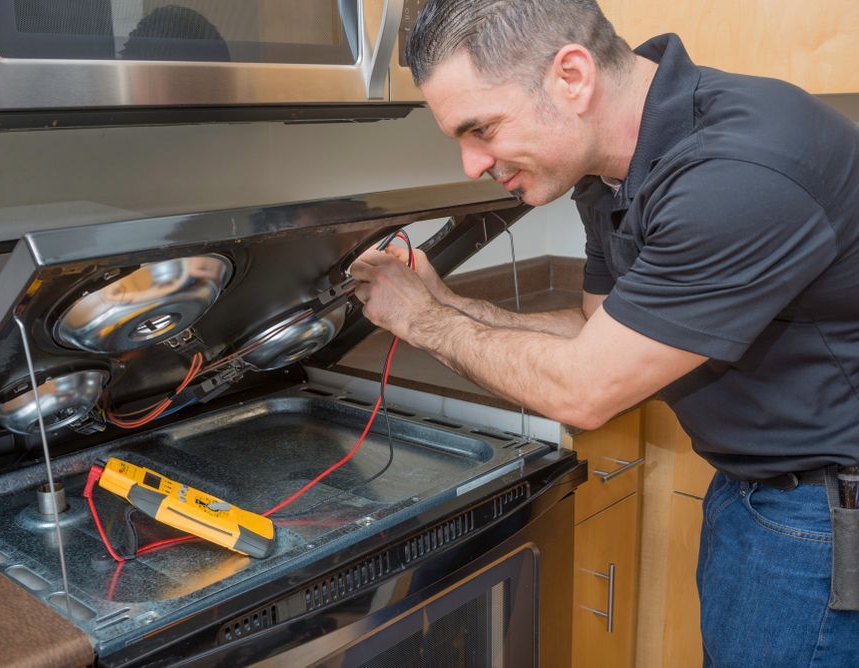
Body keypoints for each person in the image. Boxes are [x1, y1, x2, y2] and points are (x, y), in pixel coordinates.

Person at [349, 0, 859, 665]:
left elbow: (584, 390)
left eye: (481, 129)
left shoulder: (732, 176)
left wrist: (420, 318)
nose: (472, 163)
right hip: (761, 485)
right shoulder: (611, 168)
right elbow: (598, 334)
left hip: (823, 510)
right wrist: (445, 302)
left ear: (571, 77)